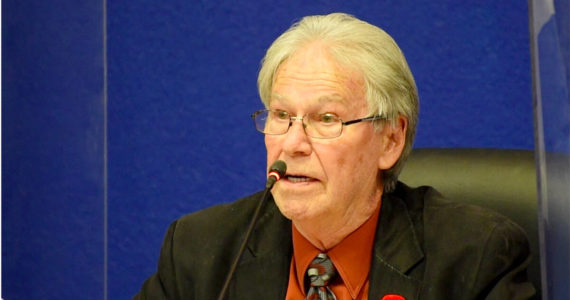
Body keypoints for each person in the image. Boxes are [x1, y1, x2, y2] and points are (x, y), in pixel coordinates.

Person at [134, 13, 535, 299]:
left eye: (326, 119)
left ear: (390, 140)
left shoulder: (473, 259)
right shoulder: (200, 252)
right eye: (281, 116)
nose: (293, 143)